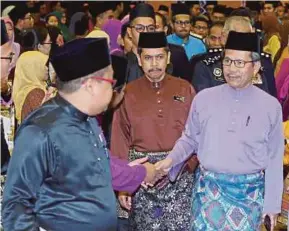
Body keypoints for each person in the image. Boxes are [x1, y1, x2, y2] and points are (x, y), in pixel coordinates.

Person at [2, 38, 160, 231]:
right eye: (111, 82)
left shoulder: (88, 119)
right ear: (92, 86)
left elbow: (94, 166)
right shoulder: (40, 130)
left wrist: (132, 172)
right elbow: (16, 206)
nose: (114, 90)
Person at [156, 31, 284, 231]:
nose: (232, 69)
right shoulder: (204, 98)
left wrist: (272, 205)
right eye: (227, 61)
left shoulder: (271, 106)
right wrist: (170, 161)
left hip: (249, 199)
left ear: (256, 67)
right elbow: (190, 139)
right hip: (209, 194)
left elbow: (275, 159)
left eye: (239, 63)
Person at [111, 32, 197, 230]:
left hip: (180, 176)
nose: (154, 64)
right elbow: (119, 139)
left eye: (159, 57)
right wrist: (124, 186)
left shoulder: (185, 89)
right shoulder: (128, 92)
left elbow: (197, 133)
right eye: (148, 58)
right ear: (139, 60)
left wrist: (185, 166)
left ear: (168, 58)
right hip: (141, 178)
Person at [191, 16, 276, 97]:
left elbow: (268, 99)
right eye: (236, 36)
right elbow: (203, 102)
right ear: (223, 37)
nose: (241, 41)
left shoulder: (258, 65)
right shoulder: (206, 67)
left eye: (246, 37)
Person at [125, 3, 156, 83]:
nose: (145, 32)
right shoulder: (122, 65)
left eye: (151, 28)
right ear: (129, 32)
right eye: (140, 28)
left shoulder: (165, 64)